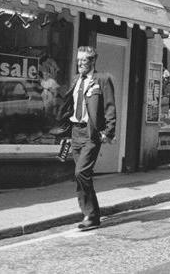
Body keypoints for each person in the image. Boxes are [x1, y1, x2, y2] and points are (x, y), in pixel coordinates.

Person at [55, 46, 116, 231]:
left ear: (92, 61)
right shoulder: (76, 80)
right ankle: (91, 214)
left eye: (84, 60)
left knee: (81, 172)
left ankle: (90, 214)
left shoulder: (102, 80)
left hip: (91, 133)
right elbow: (70, 105)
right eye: (78, 60)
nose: (80, 63)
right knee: (82, 176)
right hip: (75, 132)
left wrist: (109, 131)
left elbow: (110, 106)